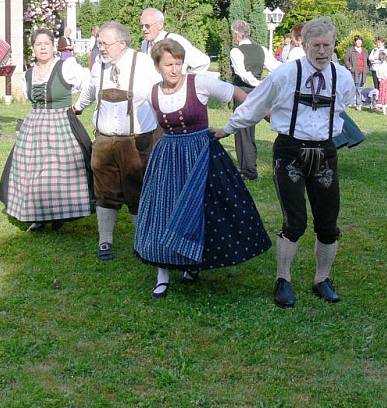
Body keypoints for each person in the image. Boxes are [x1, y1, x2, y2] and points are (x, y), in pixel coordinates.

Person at [215, 17, 355, 308]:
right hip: (290, 151)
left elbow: (341, 109)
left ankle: (322, 279)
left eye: (326, 44)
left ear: (333, 45)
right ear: (304, 46)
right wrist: (227, 129)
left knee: (328, 223)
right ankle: (283, 279)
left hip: (325, 153)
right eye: (315, 45)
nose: (321, 50)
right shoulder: (286, 75)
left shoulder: (342, 77)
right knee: (295, 221)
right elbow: (256, 104)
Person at [134, 39, 272, 298]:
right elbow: (156, 128)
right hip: (169, 157)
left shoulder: (200, 83)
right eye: (168, 65)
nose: (174, 70)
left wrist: (266, 113)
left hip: (202, 154)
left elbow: (236, 94)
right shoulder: (153, 93)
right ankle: (162, 273)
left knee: (204, 209)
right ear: (157, 66)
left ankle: (192, 262)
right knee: (165, 210)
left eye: (178, 63)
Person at [0, 28, 95, 231]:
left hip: (61, 124)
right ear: (33, 48)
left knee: (61, 170)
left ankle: (60, 212)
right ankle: (39, 215)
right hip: (35, 126)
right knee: (31, 171)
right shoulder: (29, 73)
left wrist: (78, 106)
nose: (42, 47)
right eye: (38, 44)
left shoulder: (66, 66)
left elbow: (90, 85)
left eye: (46, 43)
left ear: (53, 46)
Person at [90, 21, 162, 260]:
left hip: (135, 141)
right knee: (104, 191)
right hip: (103, 141)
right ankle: (105, 241)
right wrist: (77, 107)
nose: (100, 47)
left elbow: (160, 93)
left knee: (137, 191)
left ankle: (141, 241)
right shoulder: (99, 64)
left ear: (122, 44)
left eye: (105, 43)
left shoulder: (143, 64)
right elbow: (90, 90)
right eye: (99, 42)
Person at [229, 19, 281, 180]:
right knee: (273, 121)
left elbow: (243, 74)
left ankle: (248, 170)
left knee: (243, 131)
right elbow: (276, 67)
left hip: (243, 93)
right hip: (260, 93)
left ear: (237, 34)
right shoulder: (262, 49)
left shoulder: (235, 52)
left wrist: (259, 84)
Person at [139, 7, 210, 73]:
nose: (144, 29)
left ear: (160, 25)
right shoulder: (145, 44)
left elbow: (203, 62)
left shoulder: (175, 41)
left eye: (147, 26)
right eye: (142, 26)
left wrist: (185, 81)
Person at [344, 35, 368, 100]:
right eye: (357, 41)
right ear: (355, 42)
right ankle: (352, 101)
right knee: (354, 86)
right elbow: (346, 60)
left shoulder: (365, 50)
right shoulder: (350, 50)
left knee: (360, 87)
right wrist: (350, 68)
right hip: (354, 71)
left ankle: (358, 102)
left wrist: (367, 68)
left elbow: (367, 61)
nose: (359, 43)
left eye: (360, 42)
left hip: (362, 71)